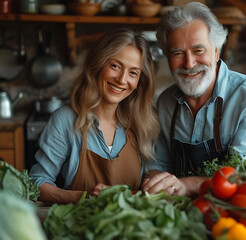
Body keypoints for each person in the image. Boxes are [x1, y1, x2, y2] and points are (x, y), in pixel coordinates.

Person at [141, 2, 246, 197]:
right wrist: (155, 182)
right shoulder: (165, 102)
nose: (189, 63)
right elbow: (158, 163)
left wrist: (187, 185)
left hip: (232, 213)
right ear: (168, 57)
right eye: (177, 53)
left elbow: (245, 175)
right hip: (176, 212)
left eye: (198, 51)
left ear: (216, 52)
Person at [29, 28, 160, 204]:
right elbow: (36, 183)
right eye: (115, 66)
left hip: (132, 227)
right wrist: (82, 197)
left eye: (133, 73)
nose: (122, 80)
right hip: (81, 225)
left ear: (139, 82)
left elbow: (151, 178)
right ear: (98, 65)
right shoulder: (66, 120)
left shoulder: (143, 123)